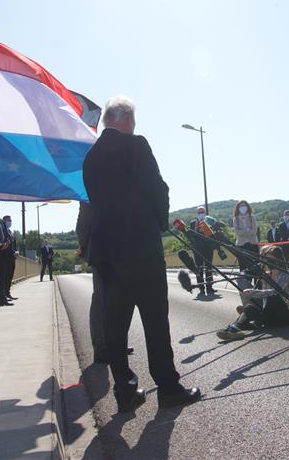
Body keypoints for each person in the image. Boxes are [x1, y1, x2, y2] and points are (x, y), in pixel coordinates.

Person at [82, 95, 199, 412]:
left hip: (107, 253)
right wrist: (160, 221)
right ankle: (168, 388)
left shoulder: (90, 158)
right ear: (128, 120)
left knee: (116, 328)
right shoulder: (137, 146)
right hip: (140, 249)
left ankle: (125, 393)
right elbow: (157, 189)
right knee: (155, 322)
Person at [75, 201, 133, 364]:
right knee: (102, 302)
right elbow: (83, 225)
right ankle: (102, 349)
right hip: (103, 254)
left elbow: (83, 225)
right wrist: (86, 247)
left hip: (118, 251)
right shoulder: (89, 192)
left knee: (120, 303)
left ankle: (117, 346)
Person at [216, 245, 289, 341]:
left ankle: (247, 323)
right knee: (251, 307)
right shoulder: (266, 274)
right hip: (270, 315)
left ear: (278, 260)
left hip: (284, 316)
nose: (268, 262)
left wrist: (252, 292)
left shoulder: (285, 275)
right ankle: (234, 329)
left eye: (271, 260)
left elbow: (274, 292)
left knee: (273, 297)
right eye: (267, 260)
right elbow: (263, 298)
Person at [188, 206, 218, 295]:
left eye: (202, 212)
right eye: (199, 212)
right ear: (196, 214)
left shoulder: (209, 222)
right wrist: (197, 227)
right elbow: (192, 236)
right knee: (199, 268)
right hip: (197, 249)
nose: (201, 214)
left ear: (205, 212)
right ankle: (201, 288)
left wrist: (207, 227)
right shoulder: (193, 223)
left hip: (208, 248)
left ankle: (209, 287)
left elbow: (213, 234)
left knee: (209, 267)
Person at [232, 200, 259, 270]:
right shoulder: (235, 219)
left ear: (247, 207)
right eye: (241, 206)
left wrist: (243, 231)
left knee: (255, 265)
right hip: (241, 245)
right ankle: (244, 281)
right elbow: (237, 232)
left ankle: (256, 280)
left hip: (253, 244)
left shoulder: (252, 217)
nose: (242, 207)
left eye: (244, 206)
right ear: (238, 208)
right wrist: (248, 230)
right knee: (243, 265)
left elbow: (254, 231)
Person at [2, 215, 18, 301]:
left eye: (10, 220)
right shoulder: (3, 231)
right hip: (5, 257)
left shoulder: (10, 232)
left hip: (12, 258)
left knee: (10, 276)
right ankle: (4, 294)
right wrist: (13, 252)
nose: (10, 222)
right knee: (5, 276)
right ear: (4, 221)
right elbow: (6, 245)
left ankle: (7, 293)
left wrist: (16, 251)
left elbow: (13, 244)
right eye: (8, 220)